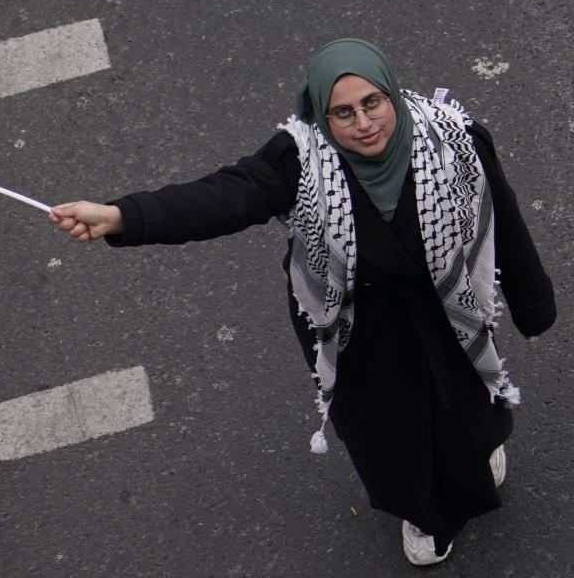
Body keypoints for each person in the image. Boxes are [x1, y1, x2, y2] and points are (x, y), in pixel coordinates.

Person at [47, 39, 556, 565]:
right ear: (320, 113)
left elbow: (505, 223)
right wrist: (122, 216)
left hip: (448, 314)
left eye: (373, 103)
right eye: (343, 113)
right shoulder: (299, 158)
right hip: (360, 330)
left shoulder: (455, 140)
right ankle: (425, 514)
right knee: (387, 431)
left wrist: (533, 302)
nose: (363, 123)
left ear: (392, 96)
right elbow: (222, 197)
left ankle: (478, 453)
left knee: (467, 407)